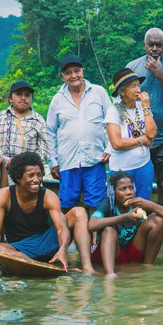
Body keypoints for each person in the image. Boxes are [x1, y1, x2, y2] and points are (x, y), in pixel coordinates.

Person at [0, 152, 94, 272]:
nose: (36, 180)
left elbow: (61, 228)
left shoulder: (48, 196)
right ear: (18, 177)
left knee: (79, 211)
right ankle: (42, 266)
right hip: (20, 248)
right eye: (31, 175)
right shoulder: (3, 195)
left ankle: (87, 268)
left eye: (39, 175)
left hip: (46, 243)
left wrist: (63, 249)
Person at [126, 28, 163, 204]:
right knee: (136, 185)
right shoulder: (132, 67)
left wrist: (159, 73)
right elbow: (124, 99)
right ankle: (138, 223)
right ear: (144, 46)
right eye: (151, 44)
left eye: (158, 45)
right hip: (138, 138)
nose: (154, 48)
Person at [47, 55, 112, 211]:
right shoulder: (57, 99)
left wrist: (109, 148)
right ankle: (69, 235)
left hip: (95, 160)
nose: (73, 75)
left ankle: (95, 236)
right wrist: (52, 162)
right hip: (68, 162)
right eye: (68, 73)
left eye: (77, 71)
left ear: (83, 71)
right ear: (62, 77)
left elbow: (112, 122)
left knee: (96, 205)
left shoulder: (98, 92)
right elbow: (49, 132)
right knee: (67, 205)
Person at [88, 171, 163, 277]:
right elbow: (92, 224)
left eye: (131, 188)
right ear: (113, 192)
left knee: (158, 220)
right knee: (108, 230)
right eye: (123, 189)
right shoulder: (108, 204)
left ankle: (147, 268)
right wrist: (125, 217)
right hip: (110, 253)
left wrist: (150, 205)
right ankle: (110, 275)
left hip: (132, 252)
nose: (129, 192)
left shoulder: (139, 204)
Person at [105, 68, 157, 200]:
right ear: (122, 91)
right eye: (133, 86)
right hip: (122, 168)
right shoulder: (113, 111)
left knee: (143, 203)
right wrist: (141, 140)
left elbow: (151, 134)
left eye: (138, 85)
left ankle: (142, 221)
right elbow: (116, 143)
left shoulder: (142, 107)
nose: (138, 90)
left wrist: (146, 108)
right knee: (122, 205)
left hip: (144, 165)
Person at [0, 80, 49, 185]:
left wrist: (27, 163)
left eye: (27, 95)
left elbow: (45, 147)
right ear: (10, 98)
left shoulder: (38, 120)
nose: (23, 98)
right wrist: (6, 160)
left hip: (29, 176)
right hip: (4, 175)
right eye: (19, 94)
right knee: (6, 199)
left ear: (32, 99)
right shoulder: (0, 117)